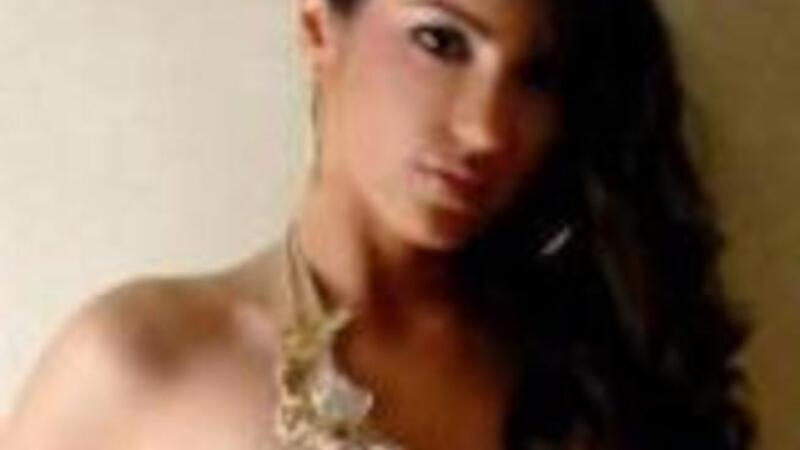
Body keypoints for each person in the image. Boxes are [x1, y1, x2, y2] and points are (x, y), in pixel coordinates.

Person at [4, 0, 753, 448]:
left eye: (538, 76)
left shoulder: (594, 365)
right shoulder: (141, 360)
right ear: (318, 25)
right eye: (441, 41)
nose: (486, 128)